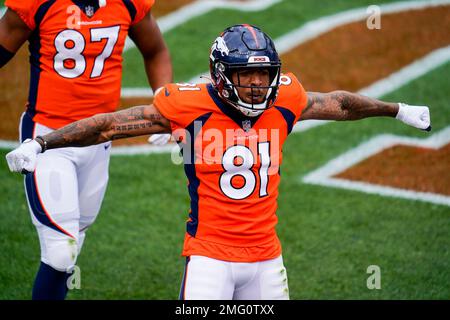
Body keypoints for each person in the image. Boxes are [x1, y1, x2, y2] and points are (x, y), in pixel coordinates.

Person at [6, 24, 431, 300]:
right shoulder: (188, 105)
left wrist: (396, 109)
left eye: (264, 74)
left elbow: (340, 103)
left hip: (267, 258)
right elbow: (107, 125)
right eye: (246, 75)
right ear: (222, 74)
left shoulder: (285, 98)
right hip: (209, 258)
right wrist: (42, 144)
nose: (257, 84)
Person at [0, 0, 172, 300]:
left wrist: (162, 100)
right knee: (60, 253)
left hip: (98, 140)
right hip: (48, 140)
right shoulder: (37, 3)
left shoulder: (127, 3)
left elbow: (155, 49)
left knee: (71, 247)